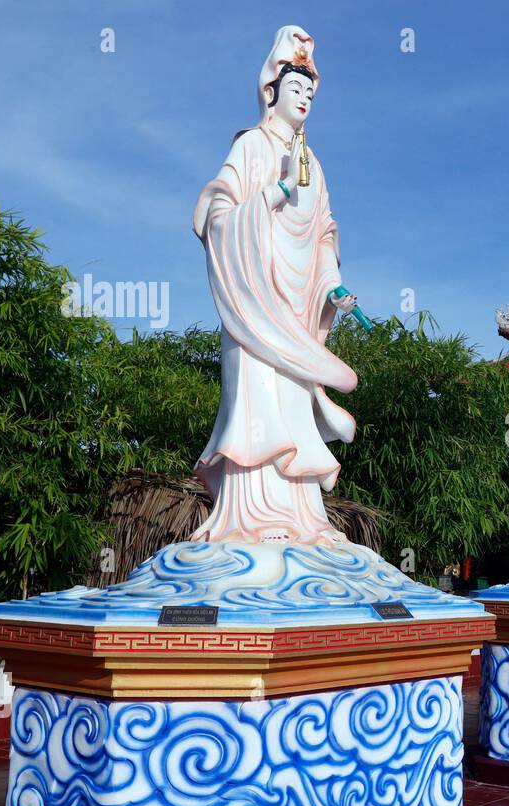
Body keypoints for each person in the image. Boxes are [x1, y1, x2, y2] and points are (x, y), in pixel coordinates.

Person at [190, 26, 363, 545]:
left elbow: (324, 231)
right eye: (297, 89)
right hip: (251, 304)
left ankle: (304, 518)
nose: (306, 98)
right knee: (256, 408)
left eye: (312, 92)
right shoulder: (251, 146)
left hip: (297, 310)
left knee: (292, 410)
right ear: (272, 91)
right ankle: (247, 519)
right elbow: (213, 215)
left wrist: (331, 284)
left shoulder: (315, 165)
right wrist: (277, 190)